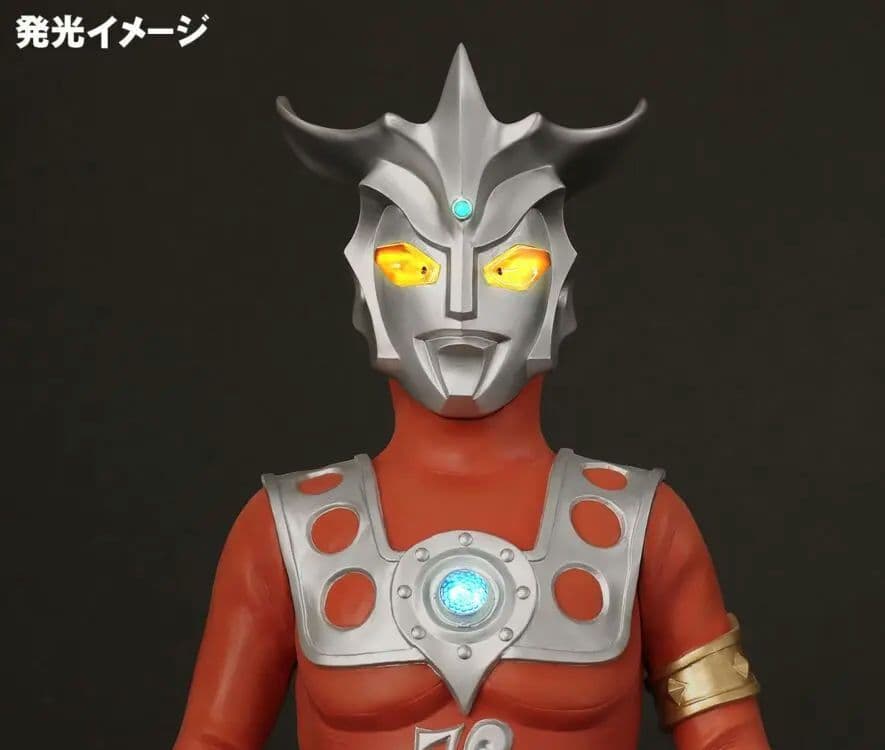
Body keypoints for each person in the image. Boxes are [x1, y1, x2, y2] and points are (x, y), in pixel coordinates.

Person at [174, 45, 770, 750]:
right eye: (414, 265)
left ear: (561, 296)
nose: (460, 302)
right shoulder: (284, 532)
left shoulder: (644, 526)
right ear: (367, 295)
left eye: (510, 267)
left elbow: (726, 737)